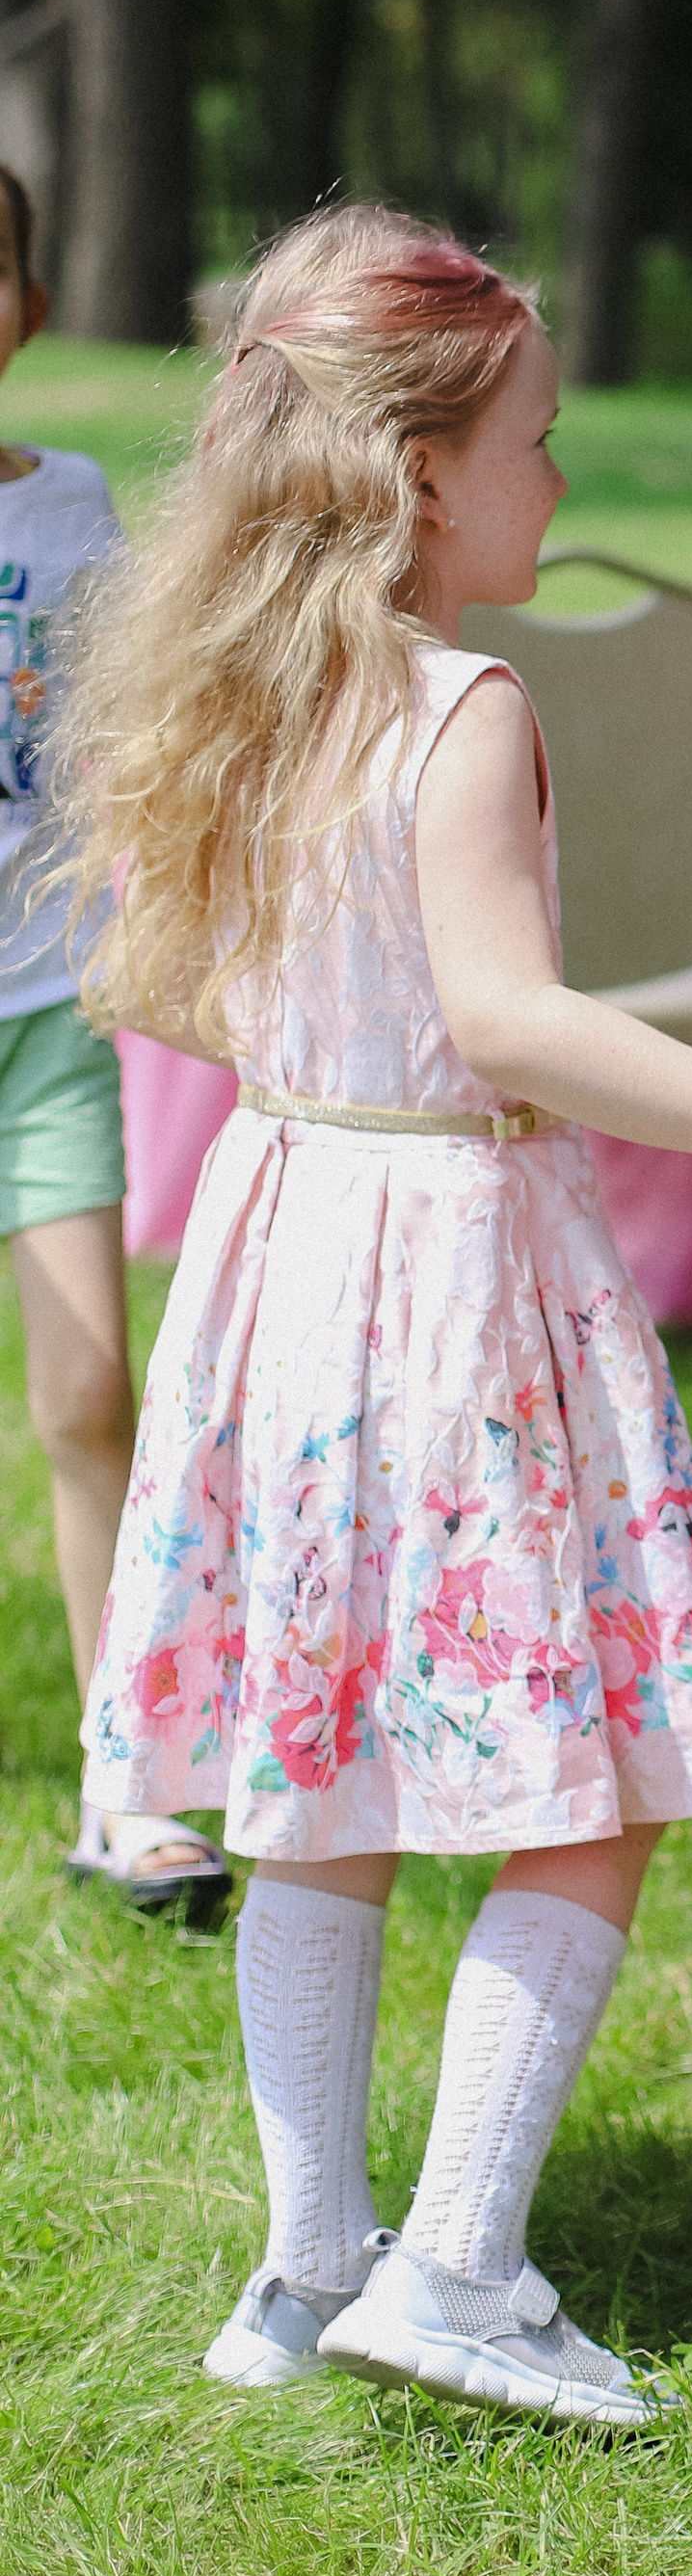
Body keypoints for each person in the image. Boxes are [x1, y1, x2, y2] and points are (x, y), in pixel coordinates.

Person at [63, 204, 692, 2430]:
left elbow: (148, 980)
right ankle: (455, 2262)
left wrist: (326, 1070)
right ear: (417, 479)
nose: (562, 485)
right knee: (592, 1769)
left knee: (322, 1777)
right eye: (539, 445)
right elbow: (512, 1017)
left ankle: (303, 2270)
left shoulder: (241, 697)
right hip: (457, 1283)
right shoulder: (463, 705)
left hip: (287, 1245)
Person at [0, 167, 213, 1920]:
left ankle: (124, 1786)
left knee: (87, 1390)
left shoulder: (75, 512)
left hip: (42, 1020)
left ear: (31, 297)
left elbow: (164, 709)